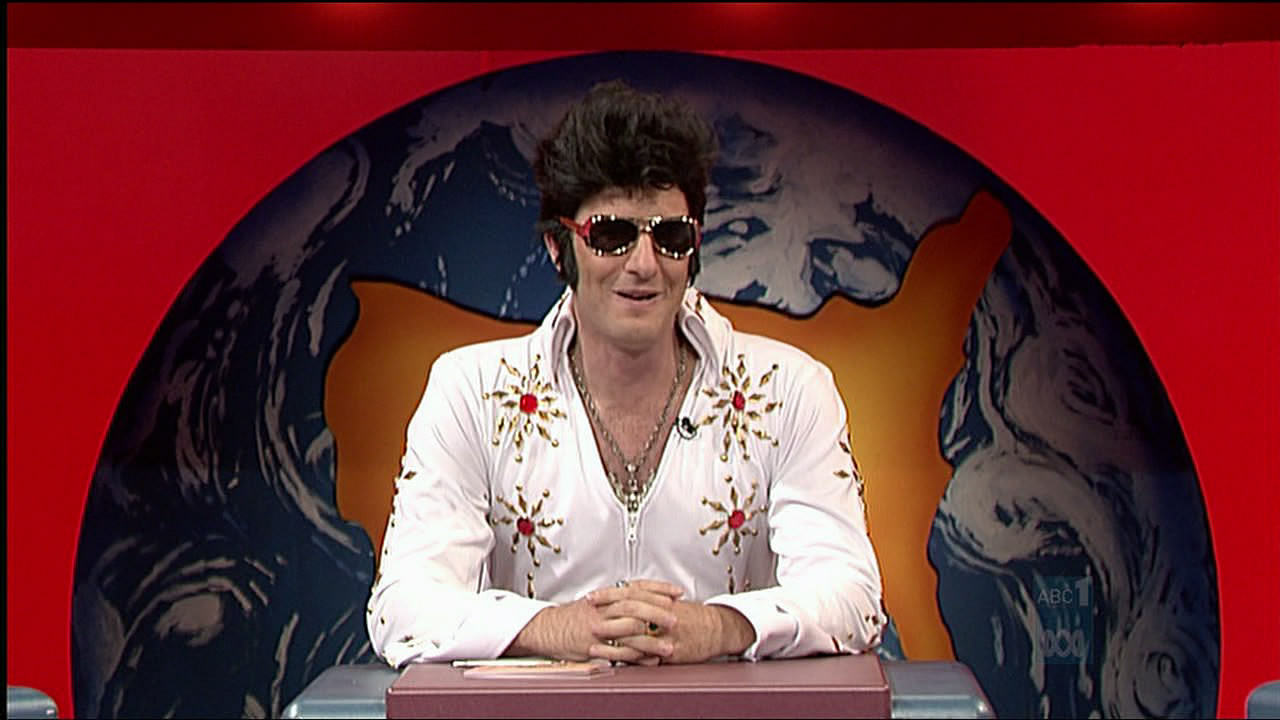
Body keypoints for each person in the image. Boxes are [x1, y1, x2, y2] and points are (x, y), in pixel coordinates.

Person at [367, 80, 886, 667]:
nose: (644, 264)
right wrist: (555, 629)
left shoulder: (789, 390)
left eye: (670, 237)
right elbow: (403, 607)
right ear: (558, 247)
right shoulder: (471, 393)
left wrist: (719, 627)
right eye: (612, 236)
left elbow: (853, 597)